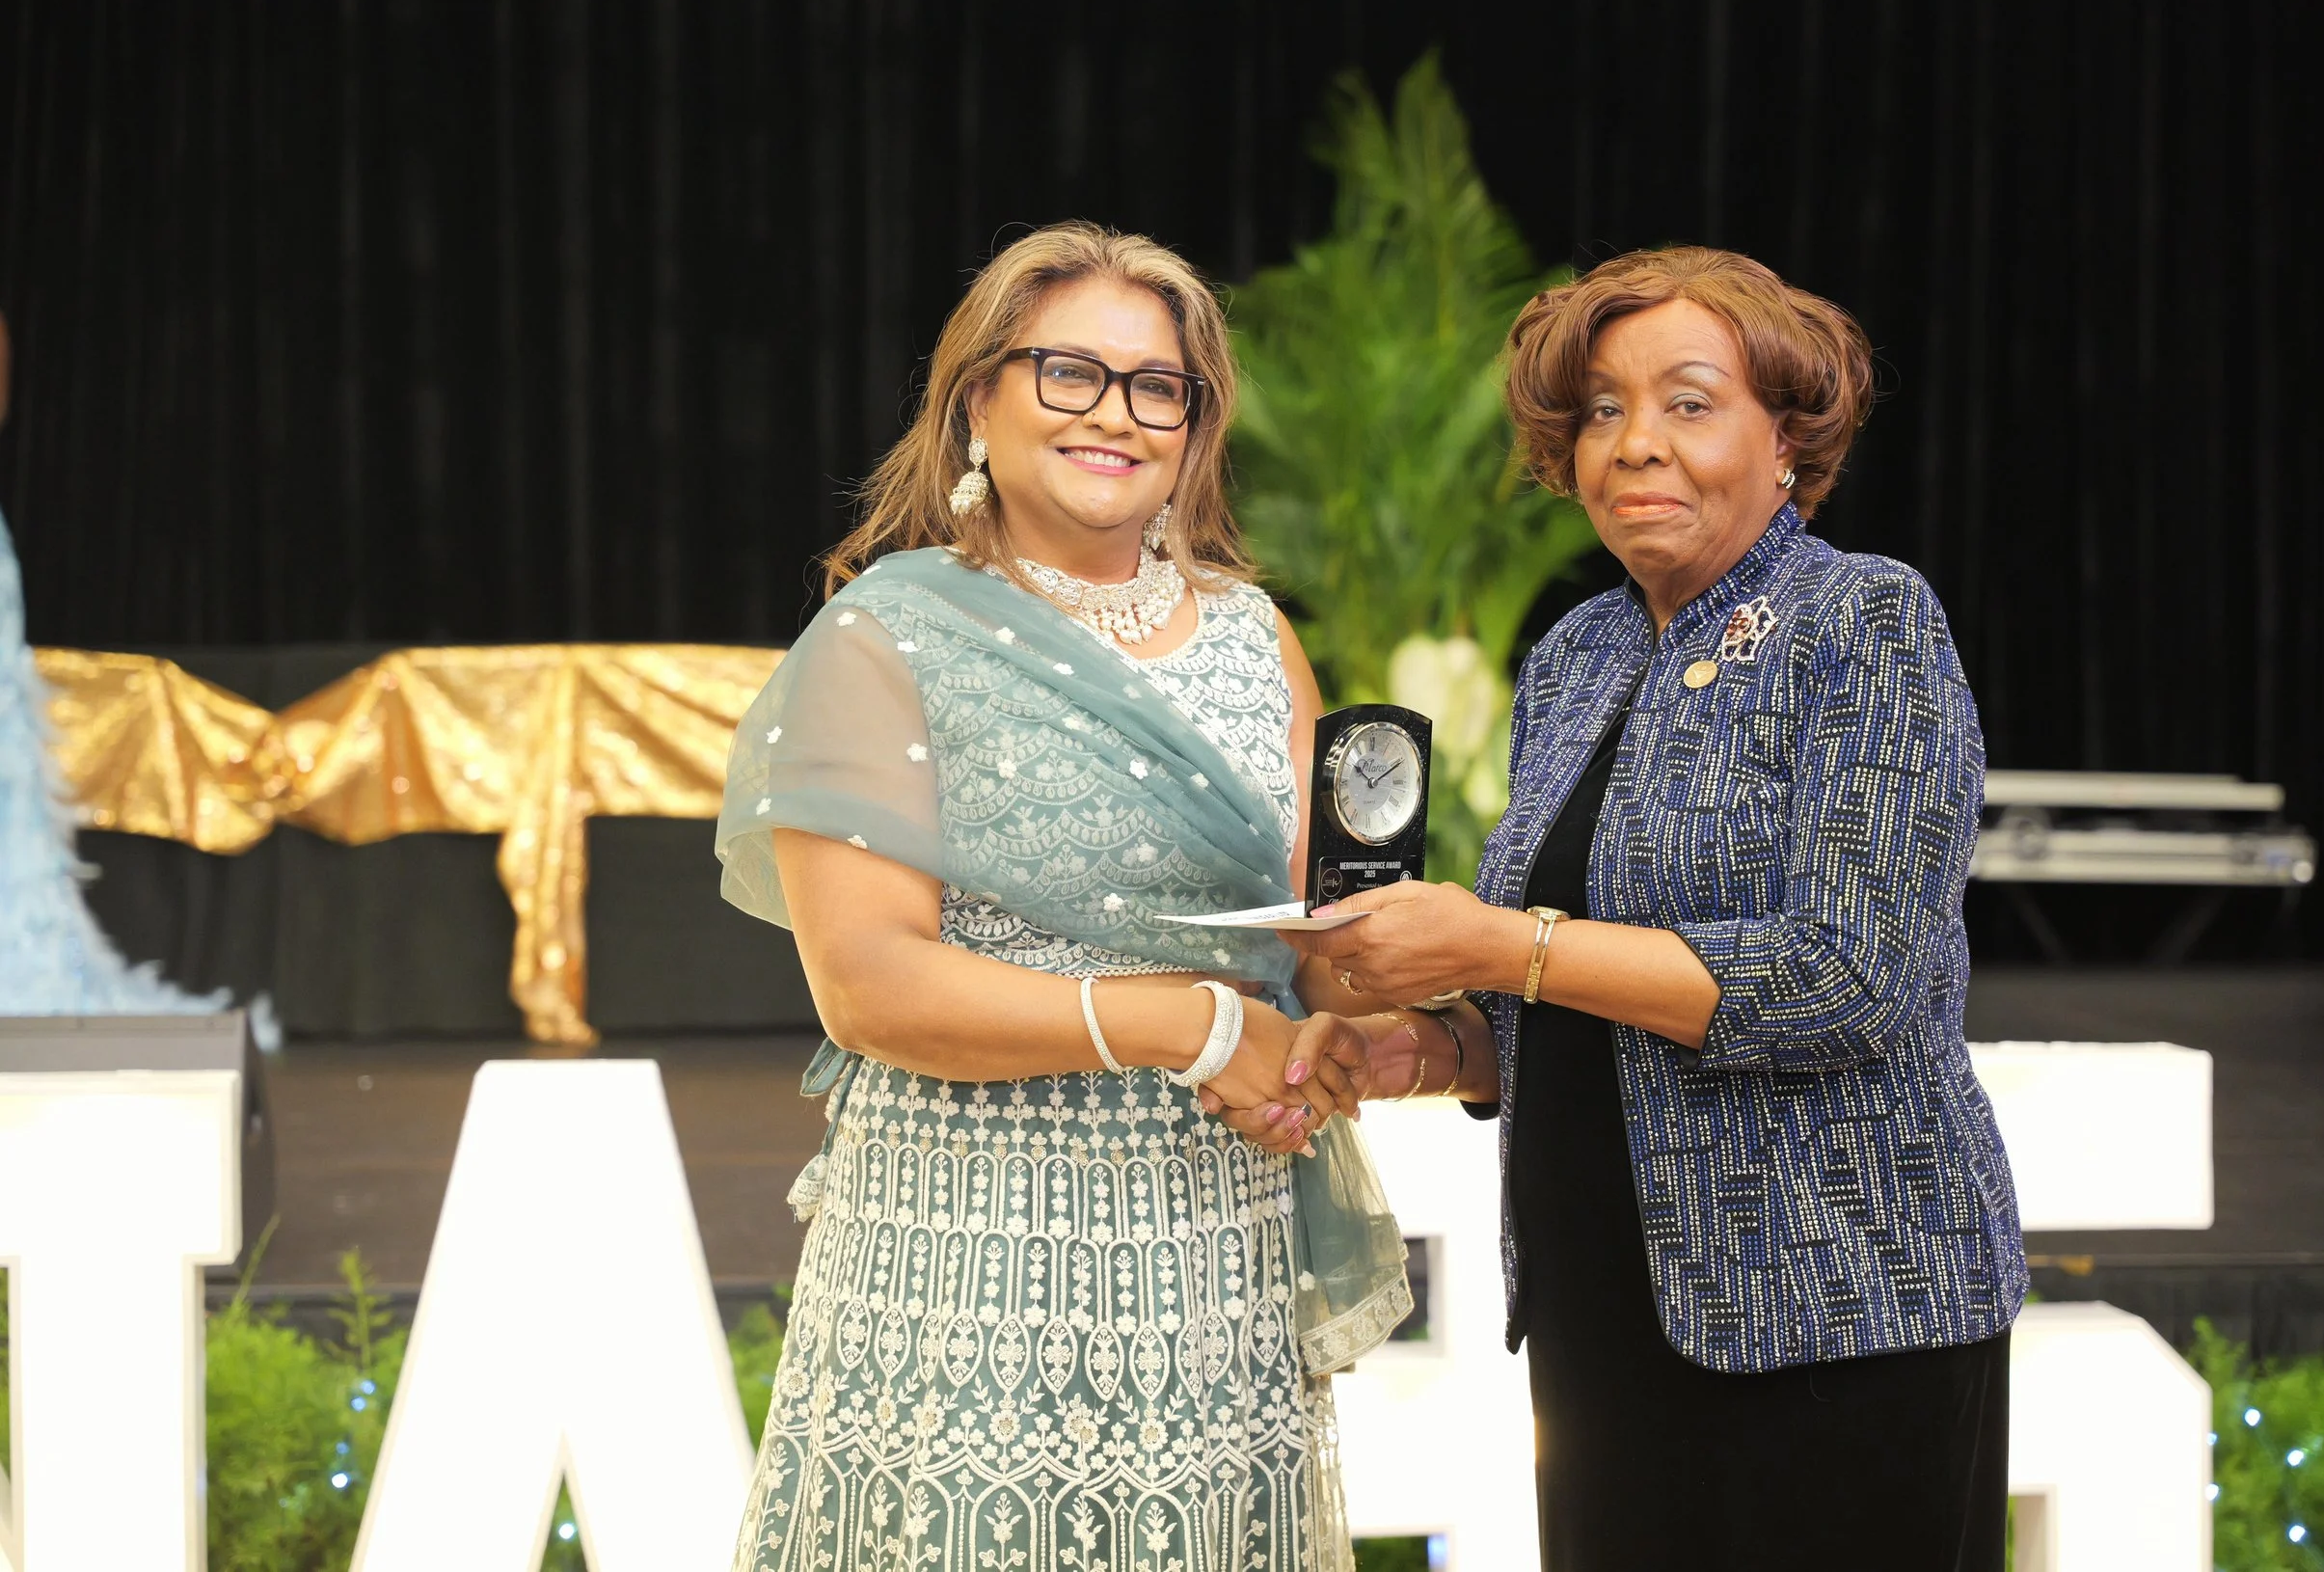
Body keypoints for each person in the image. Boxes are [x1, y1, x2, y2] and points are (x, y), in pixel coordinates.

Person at [1271, 247, 2025, 1569]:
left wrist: (1501, 943)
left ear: (1786, 437)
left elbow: (1845, 978)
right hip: (1608, 1310)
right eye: (1602, 413)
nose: (1633, 445)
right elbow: (1579, 986)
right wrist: (1438, 1046)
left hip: (1838, 1310)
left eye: (1688, 402)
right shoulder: (1580, 654)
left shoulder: (1864, 622)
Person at [715, 223, 1419, 1572]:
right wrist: (1195, 1028)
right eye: (1069, 373)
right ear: (978, 397)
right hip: (967, 1259)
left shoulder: (1254, 633)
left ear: (1195, 425)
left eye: (1160, 386)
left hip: (1214, 1261)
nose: (1117, 415)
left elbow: (1307, 948)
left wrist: (1369, 996)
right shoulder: (885, 633)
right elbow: (870, 985)